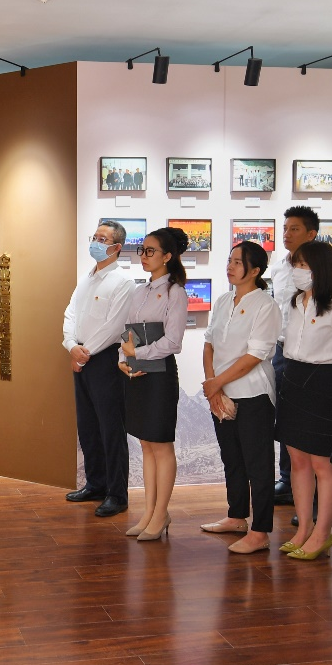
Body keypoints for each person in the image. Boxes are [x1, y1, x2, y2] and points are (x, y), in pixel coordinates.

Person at [276, 240, 332, 560]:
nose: (297, 271)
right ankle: (303, 529)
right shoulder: (294, 303)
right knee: (298, 461)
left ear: (320, 269)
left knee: (323, 465)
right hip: (294, 380)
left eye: (303, 265)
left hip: (326, 384)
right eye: (295, 265)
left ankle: (323, 533)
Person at [200, 241, 281, 553]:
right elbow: (209, 344)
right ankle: (236, 516)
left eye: (238, 262)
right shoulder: (223, 300)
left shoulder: (265, 305)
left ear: (255, 270)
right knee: (231, 458)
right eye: (230, 260)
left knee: (258, 465)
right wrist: (214, 385)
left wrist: (216, 383)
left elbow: (255, 355)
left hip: (253, 394)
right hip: (221, 393)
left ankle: (260, 532)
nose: (230, 266)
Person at [120, 227, 189, 540]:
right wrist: (123, 359)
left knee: (161, 445)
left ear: (167, 256)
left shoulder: (176, 292)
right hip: (136, 374)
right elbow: (128, 333)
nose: (144, 256)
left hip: (160, 375)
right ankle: (148, 512)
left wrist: (139, 353)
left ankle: (161, 514)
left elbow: (174, 342)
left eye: (150, 251)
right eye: (142, 250)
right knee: (146, 444)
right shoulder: (140, 291)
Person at [63, 221, 135, 517]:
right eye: (94, 237)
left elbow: (114, 326)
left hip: (104, 360)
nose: (95, 242)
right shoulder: (86, 278)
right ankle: (95, 483)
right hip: (81, 356)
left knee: (111, 429)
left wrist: (84, 353)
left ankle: (117, 494)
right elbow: (70, 314)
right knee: (88, 425)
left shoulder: (123, 281)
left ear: (117, 247)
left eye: (102, 239)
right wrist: (71, 345)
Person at [272, 207, 321, 508]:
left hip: (311, 354)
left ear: (311, 234)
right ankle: (287, 479)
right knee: (284, 416)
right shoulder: (278, 268)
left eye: (294, 229)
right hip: (281, 350)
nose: (287, 234)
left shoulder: (322, 268)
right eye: (285, 228)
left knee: (306, 420)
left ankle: (310, 487)